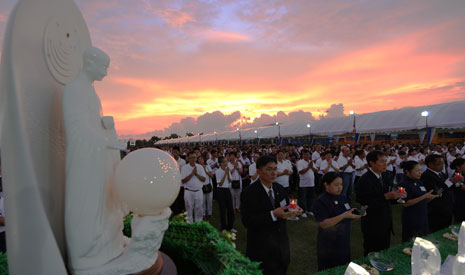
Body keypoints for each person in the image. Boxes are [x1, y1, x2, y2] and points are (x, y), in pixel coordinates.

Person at [241, 155, 302, 275]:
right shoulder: (249, 193)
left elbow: (285, 208)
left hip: (281, 248)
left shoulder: (279, 188)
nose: (274, 173)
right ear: (259, 172)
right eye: (269, 169)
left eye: (275, 169)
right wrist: (273, 214)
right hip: (261, 250)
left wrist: (293, 211)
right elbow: (248, 222)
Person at [355, 150, 407, 255]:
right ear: (372, 163)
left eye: (386, 161)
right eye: (382, 161)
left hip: (385, 221)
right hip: (372, 223)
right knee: (373, 252)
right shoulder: (364, 180)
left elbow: (387, 198)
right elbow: (364, 204)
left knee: (384, 250)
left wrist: (397, 197)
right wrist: (386, 196)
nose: (385, 164)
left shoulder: (385, 176)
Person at [313, 172, 362, 271]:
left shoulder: (342, 198)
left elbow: (348, 218)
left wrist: (358, 215)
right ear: (326, 184)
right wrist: (343, 215)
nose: (339, 187)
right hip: (328, 244)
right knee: (329, 270)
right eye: (336, 185)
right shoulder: (321, 201)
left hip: (343, 242)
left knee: (343, 268)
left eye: (341, 184)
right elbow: (323, 224)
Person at [398, 161, 438, 242]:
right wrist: (424, 196)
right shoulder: (403, 184)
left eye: (420, 170)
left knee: (423, 239)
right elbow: (406, 203)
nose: (420, 172)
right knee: (412, 241)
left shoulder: (418, 181)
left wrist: (431, 197)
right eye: (417, 171)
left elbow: (423, 200)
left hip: (422, 215)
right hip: (412, 217)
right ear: (408, 172)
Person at [421, 154, 461, 232]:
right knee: (437, 231)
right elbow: (436, 192)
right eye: (439, 164)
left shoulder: (441, 174)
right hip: (437, 211)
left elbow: (448, 187)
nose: (442, 166)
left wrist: (456, 182)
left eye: (443, 163)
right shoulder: (427, 176)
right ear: (430, 165)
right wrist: (449, 183)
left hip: (446, 208)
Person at [181, 152, 207, 223]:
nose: (193, 159)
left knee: (199, 209)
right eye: (192, 157)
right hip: (188, 191)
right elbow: (183, 180)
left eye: (195, 157)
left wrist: (196, 174)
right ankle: (190, 225)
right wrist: (192, 173)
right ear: (188, 158)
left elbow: (204, 179)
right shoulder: (184, 168)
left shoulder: (200, 167)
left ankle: (198, 224)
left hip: (198, 191)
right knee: (189, 209)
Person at [215, 156, 236, 233]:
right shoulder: (218, 171)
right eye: (224, 162)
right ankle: (223, 228)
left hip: (227, 190)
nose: (226, 163)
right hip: (221, 190)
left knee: (230, 209)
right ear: (220, 163)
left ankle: (230, 227)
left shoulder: (227, 170)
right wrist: (225, 174)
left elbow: (230, 180)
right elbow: (220, 183)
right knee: (222, 209)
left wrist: (227, 174)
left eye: (226, 161)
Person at [297, 149, 318, 217]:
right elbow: (300, 172)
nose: (306, 156)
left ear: (309, 155)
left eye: (307, 154)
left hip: (311, 183)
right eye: (304, 154)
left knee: (311, 197)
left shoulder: (311, 162)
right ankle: (303, 211)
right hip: (303, 183)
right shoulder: (300, 162)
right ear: (302, 155)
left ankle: (310, 210)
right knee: (303, 198)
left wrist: (311, 166)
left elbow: (316, 171)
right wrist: (309, 167)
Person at [198, 155, 213, 220]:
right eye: (199, 159)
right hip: (201, 186)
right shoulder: (197, 168)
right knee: (202, 201)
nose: (201, 160)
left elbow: (211, 176)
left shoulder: (207, 166)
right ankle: (203, 214)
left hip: (208, 185)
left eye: (202, 159)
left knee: (209, 200)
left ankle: (210, 214)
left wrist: (205, 170)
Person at [450, 158, 465, 223]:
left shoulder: (462, 174)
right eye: (464, 165)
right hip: (461, 203)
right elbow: (463, 187)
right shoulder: (457, 175)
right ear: (458, 167)